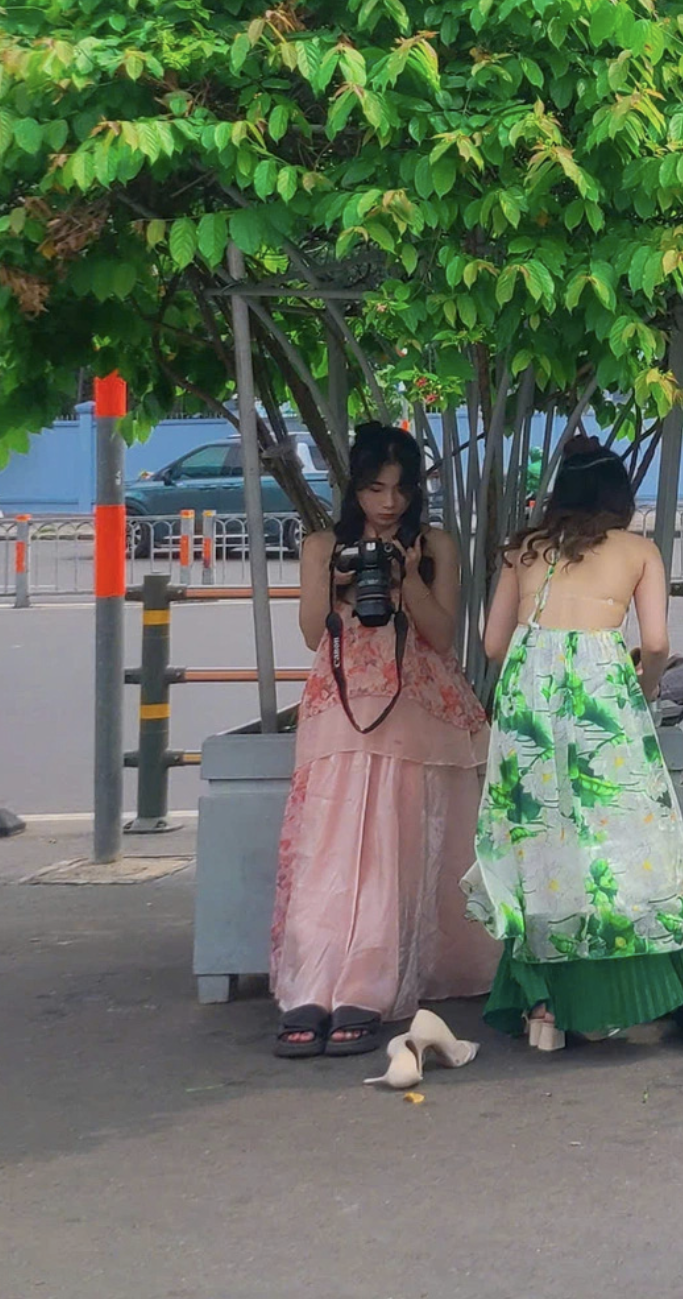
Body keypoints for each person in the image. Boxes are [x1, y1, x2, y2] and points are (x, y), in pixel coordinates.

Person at [471, 437, 683, 1047]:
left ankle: (542, 1007)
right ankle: (608, 1002)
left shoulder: (524, 550)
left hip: (528, 700)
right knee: (616, 840)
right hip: (601, 697)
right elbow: (655, 643)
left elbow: (493, 644)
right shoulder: (638, 551)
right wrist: (644, 689)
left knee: (538, 844)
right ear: (620, 498)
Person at [270, 423, 496, 1057]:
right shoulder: (323, 545)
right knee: (332, 846)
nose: (389, 503)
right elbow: (313, 633)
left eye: (400, 489)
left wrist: (407, 576)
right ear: (354, 489)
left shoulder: (435, 544)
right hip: (342, 705)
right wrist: (342, 580)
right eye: (374, 489)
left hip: (415, 708)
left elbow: (442, 636)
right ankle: (312, 985)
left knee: (392, 847)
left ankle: (365, 987)